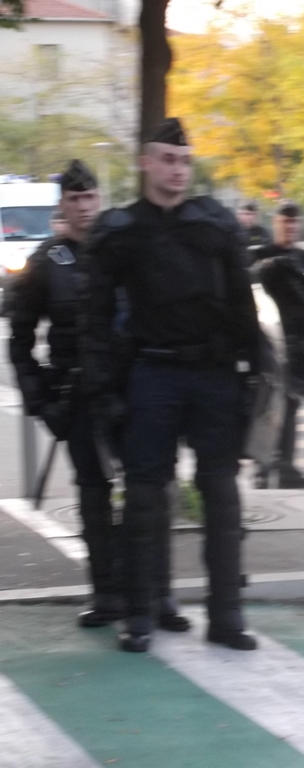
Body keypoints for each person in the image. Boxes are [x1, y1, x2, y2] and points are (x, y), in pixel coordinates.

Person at [82, 118, 261, 652]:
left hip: (213, 372)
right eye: (166, 159)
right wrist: (102, 389)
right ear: (145, 163)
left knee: (221, 495)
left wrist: (254, 370)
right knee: (142, 497)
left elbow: (242, 302)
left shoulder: (216, 223)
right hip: (152, 373)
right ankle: (139, 614)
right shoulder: (120, 230)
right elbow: (94, 318)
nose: (177, 170)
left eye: (184, 161)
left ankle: (226, 617)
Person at [9, 160, 125, 628]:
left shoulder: (122, 252)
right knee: (94, 495)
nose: (84, 207)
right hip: (76, 396)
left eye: (89, 197)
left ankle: (146, 594)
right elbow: (19, 340)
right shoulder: (46, 262)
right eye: (75, 199)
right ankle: (107, 594)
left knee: (143, 489)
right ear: (64, 205)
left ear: (100, 199)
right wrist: (41, 401)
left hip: (126, 389)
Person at [250, 201, 304, 488]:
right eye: (285, 221)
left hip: (302, 343)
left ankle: (283, 465)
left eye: (295, 221)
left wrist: (302, 273)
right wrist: (266, 266)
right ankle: (264, 467)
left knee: (291, 404)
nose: (290, 226)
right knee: (269, 404)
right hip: (269, 340)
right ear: (275, 222)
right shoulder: (260, 255)